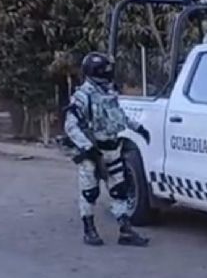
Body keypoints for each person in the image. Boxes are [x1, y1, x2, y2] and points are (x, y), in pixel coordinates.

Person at [63, 51, 151, 247]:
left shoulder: (108, 93)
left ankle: (125, 230)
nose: (108, 74)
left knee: (119, 189)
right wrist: (87, 148)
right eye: (104, 71)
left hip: (113, 148)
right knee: (89, 191)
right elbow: (70, 125)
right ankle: (89, 229)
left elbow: (118, 116)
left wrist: (138, 128)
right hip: (92, 151)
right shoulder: (83, 96)